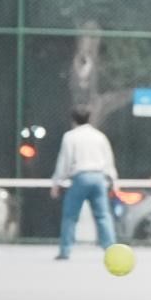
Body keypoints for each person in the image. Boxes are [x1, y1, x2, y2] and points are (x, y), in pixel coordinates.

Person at [50, 106, 120, 260]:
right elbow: (109, 161)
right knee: (103, 215)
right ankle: (111, 249)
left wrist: (57, 182)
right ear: (89, 118)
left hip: (80, 178)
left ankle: (65, 250)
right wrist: (114, 182)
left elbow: (64, 161)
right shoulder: (99, 136)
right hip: (99, 178)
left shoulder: (70, 137)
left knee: (70, 216)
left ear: (73, 120)